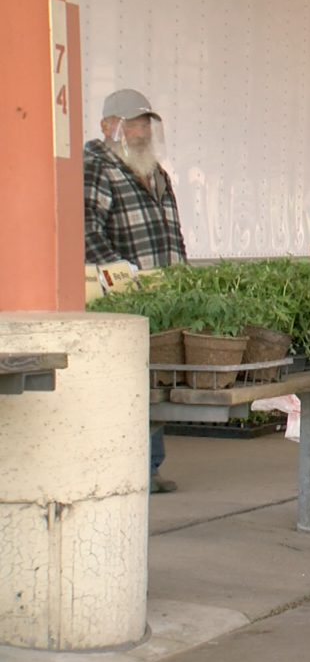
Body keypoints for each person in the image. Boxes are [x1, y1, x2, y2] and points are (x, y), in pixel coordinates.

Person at [84, 89, 186, 494]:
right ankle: (131, 467)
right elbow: (84, 229)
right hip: (123, 300)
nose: (141, 131)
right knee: (127, 381)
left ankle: (149, 465)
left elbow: (171, 233)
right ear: (109, 126)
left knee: (153, 378)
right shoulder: (97, 165)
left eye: (146, 123)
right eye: (133, 124)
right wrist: (123, 274)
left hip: (161, 297)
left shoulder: (154, 171)